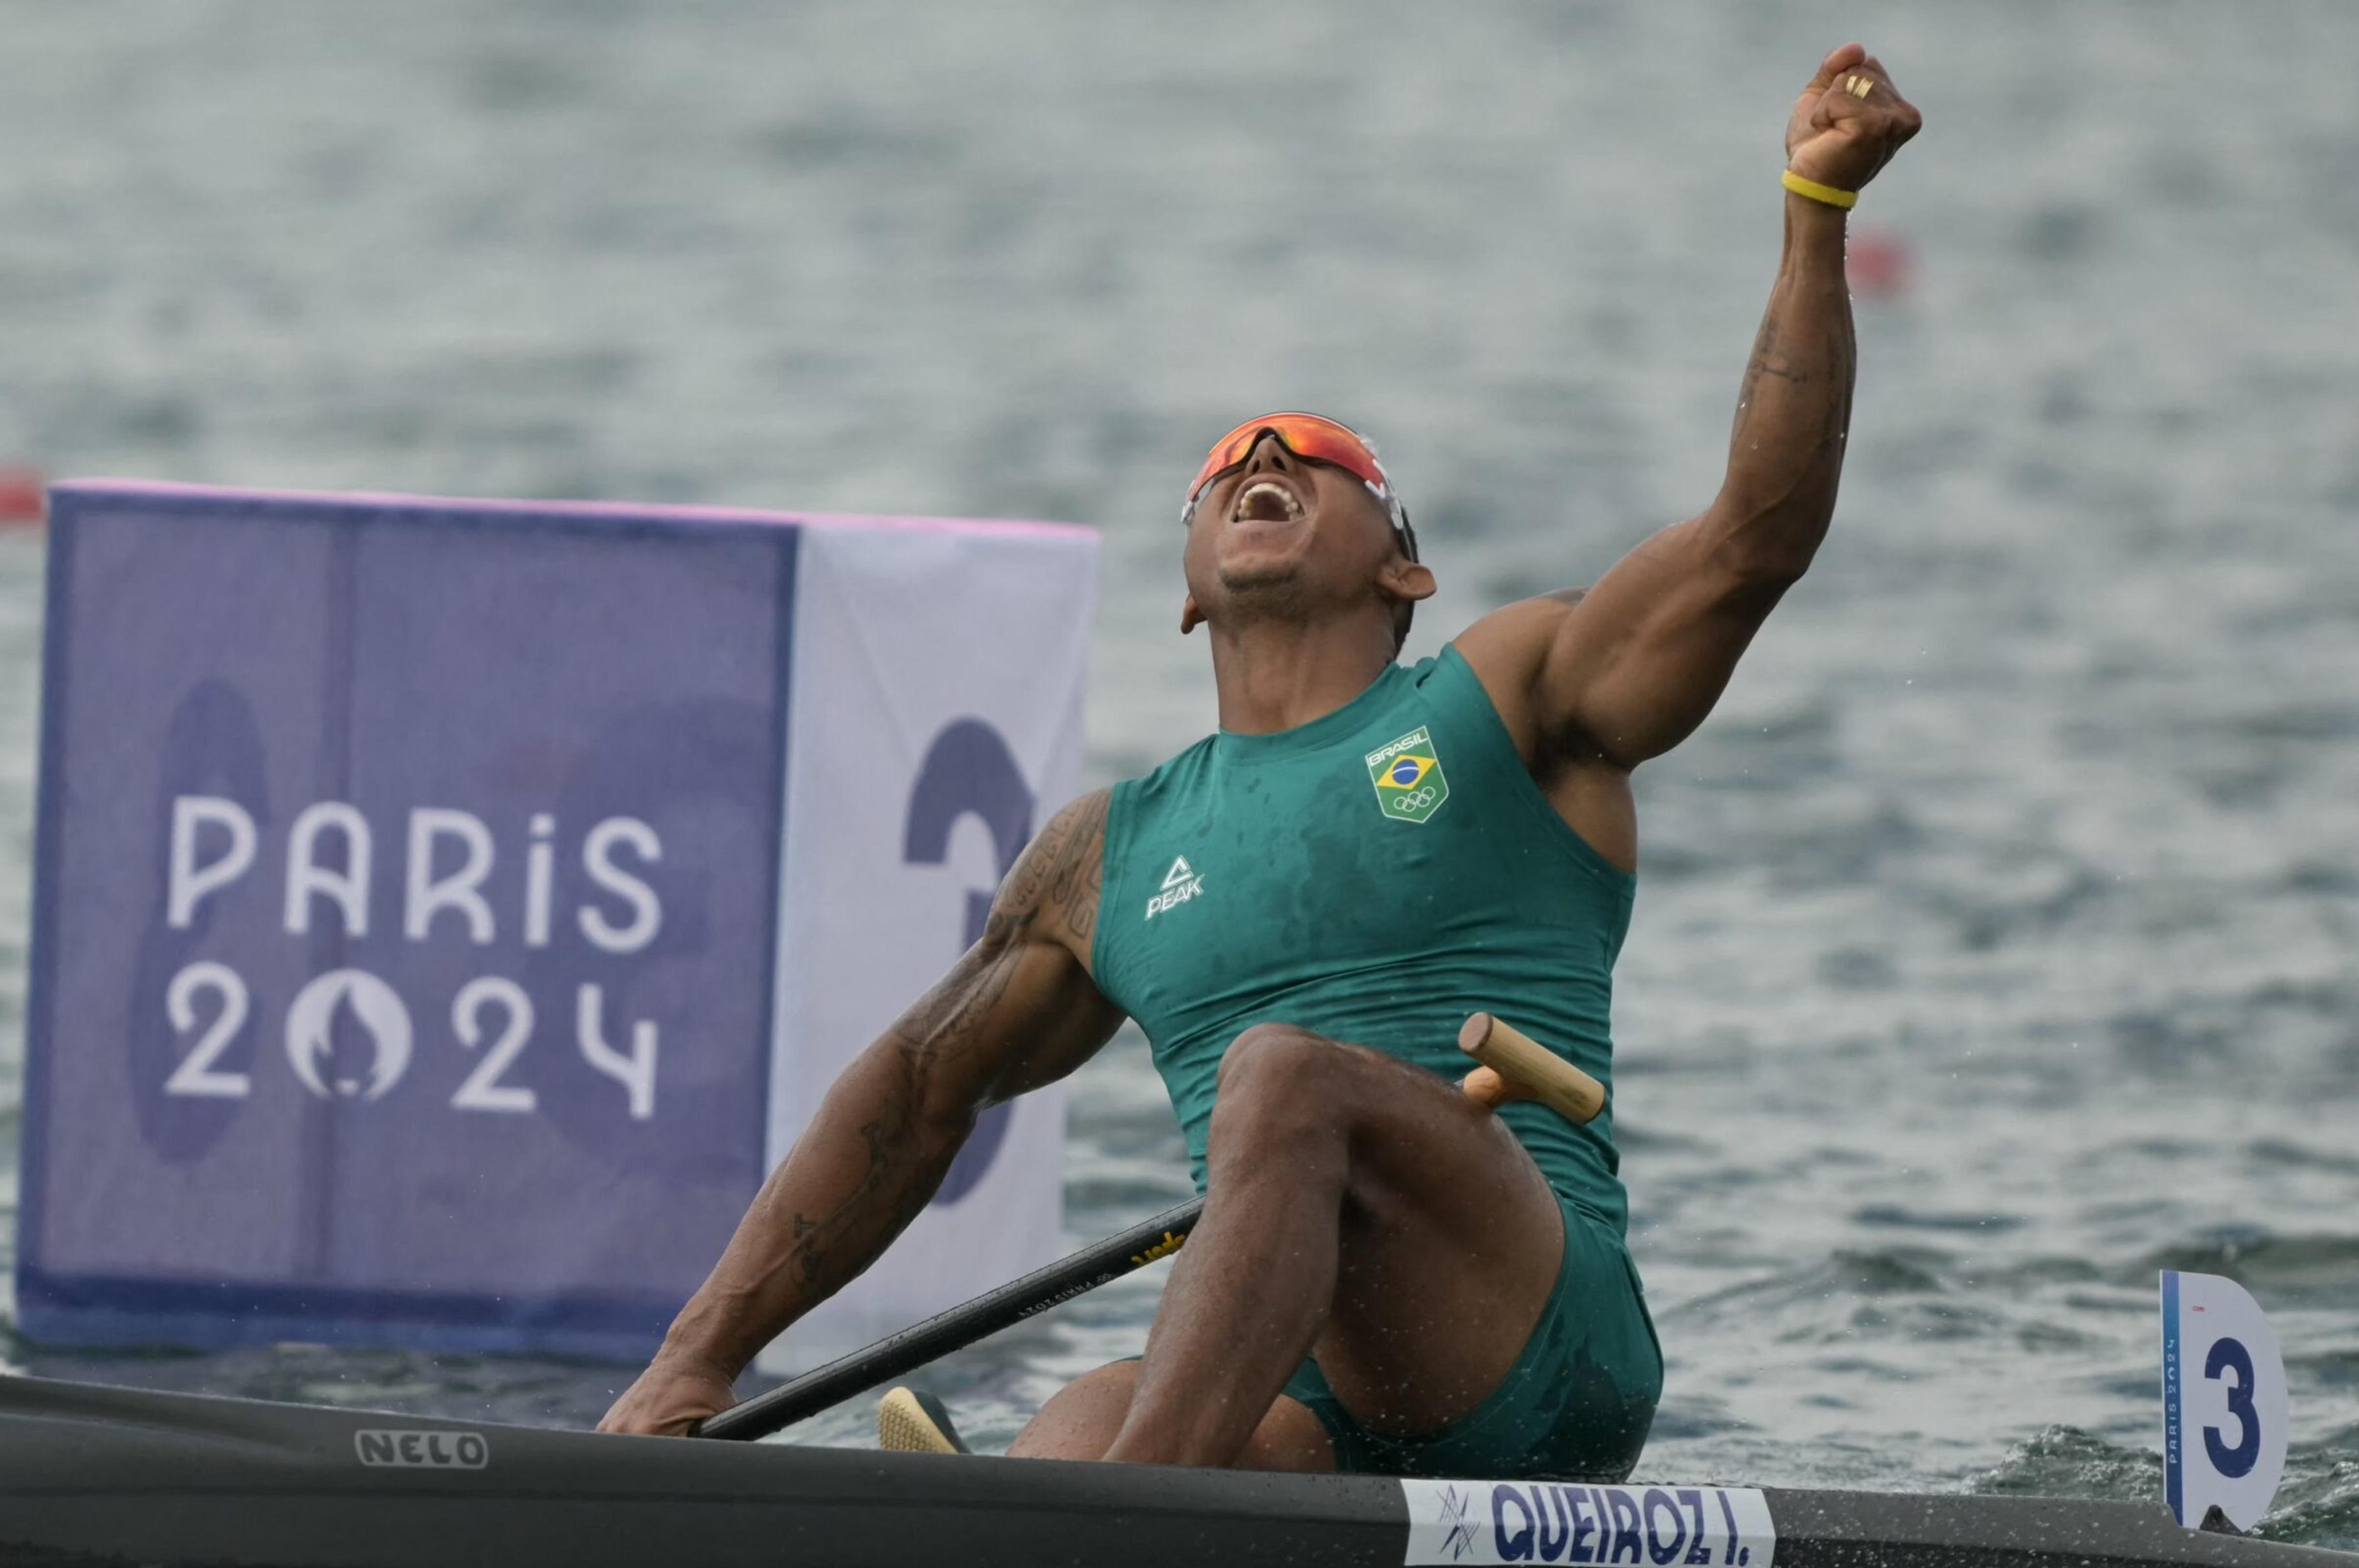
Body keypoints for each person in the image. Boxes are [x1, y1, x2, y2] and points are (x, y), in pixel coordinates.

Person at [600, 43, 1919, 1478]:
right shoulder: (1111, 850)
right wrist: (694, 1361)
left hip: (1540, 1343)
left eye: (1321, 455)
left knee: (1283, 1077)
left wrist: (1812, 212)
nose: (1264, 455)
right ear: (1186, 585)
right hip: (1300, 1397)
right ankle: (1068, 1501)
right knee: (1080, 1419)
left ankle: (1093, 1522)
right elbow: (916, 1093)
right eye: (1228, 460)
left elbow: (1752, 539)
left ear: (1405, 572)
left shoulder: (1510, 694)